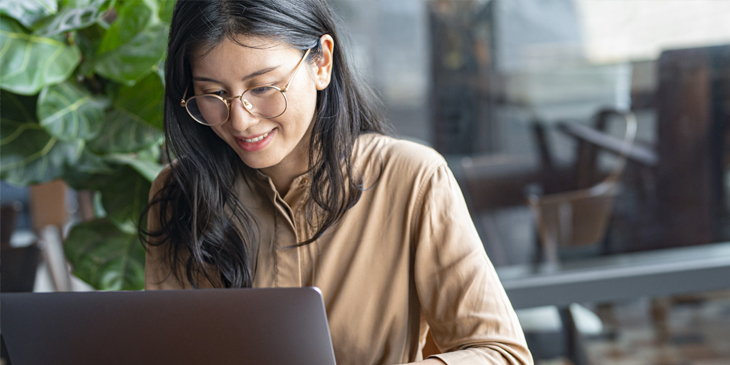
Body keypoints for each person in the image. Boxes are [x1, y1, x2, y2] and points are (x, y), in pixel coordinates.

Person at [142, 0, 532, 364]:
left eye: (262, 87)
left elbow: (501, 353)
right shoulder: (179, 192)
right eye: (213, 93)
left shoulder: (410, 178)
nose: (240, 120)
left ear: (321, 63)